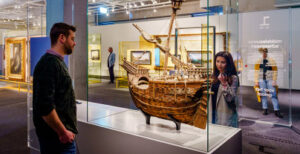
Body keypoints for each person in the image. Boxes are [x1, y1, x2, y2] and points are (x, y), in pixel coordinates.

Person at [33, 22, 77, 154]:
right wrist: (63, 132)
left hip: (58, 137)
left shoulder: (56, 62)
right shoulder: (49, 63)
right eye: (72, 39)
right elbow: (44, 106)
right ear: (62, 38)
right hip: (58, 139)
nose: (74, 43)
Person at [209, 51, 239, 128]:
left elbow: (230, 98)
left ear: (228, 64)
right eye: (217, 61)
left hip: (224, 112)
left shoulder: (233, 78)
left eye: (223, 62)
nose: (219, 65)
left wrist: (224, 83)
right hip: (212, 109)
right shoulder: (214, 76)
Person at [254, 48, 283, 118]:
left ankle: (277, 110)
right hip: (261, 79)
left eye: (265, 52)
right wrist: (256, 81)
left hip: (270, 79)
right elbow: (256, 71)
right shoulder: (258, 61)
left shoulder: (272, 61)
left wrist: (274, 80)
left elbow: (275, 71)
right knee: (263, 94)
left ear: (266, 53)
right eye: (263, 52)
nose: (264, 54)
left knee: (273, 94)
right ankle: (265, 109)